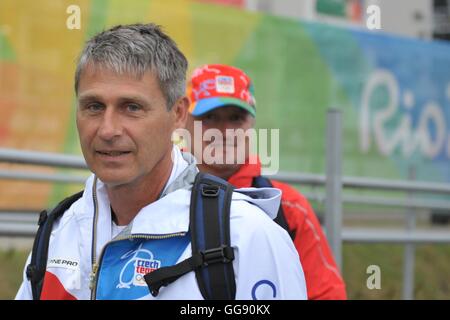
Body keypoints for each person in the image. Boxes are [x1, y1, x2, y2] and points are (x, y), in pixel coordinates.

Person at [15, 24, 307, 300]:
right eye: (94, 106)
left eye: (132, 107)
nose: (107, 130)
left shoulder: (247, 234)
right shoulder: (57, 232)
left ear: (178, 114)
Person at [185, 64, 347, 300]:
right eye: (209, 118)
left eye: (236, 118)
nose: (225, 130)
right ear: (182, 121)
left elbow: (326, 294)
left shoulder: (289, 207)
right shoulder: (159, 194)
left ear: (251, 125)